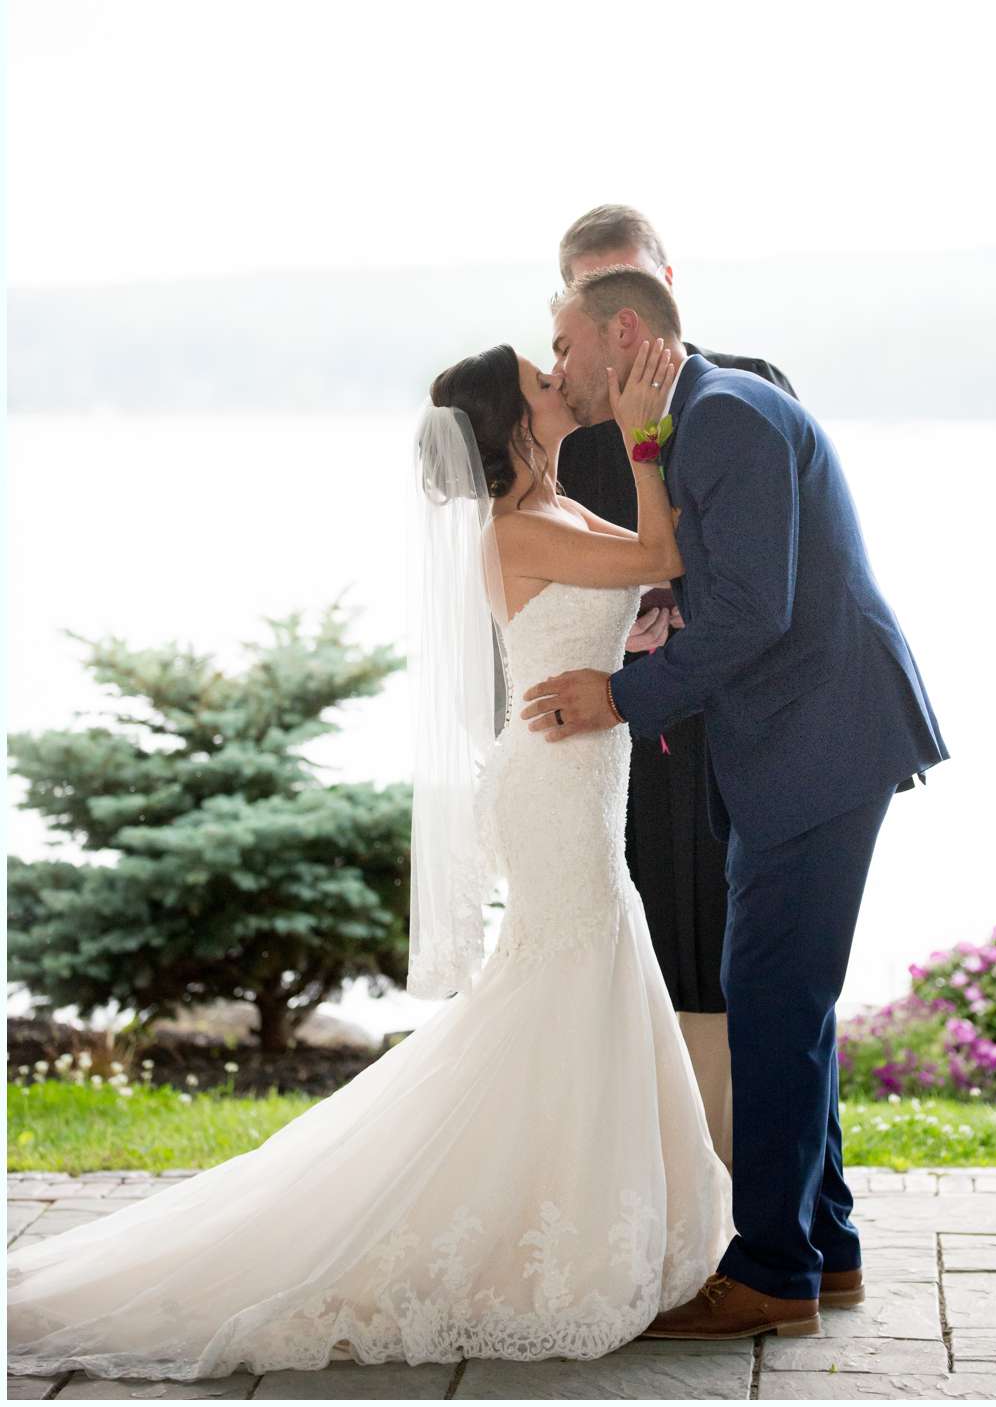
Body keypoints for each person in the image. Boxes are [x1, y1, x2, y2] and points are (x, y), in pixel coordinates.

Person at [7, 336, 769, 1385]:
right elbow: (658, 559)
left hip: (582, 771)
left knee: (578, 968)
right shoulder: (511, 532)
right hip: (552, 782)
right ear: (511, 422)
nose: (559, 385)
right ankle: (528, 1224)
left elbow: (648, 546)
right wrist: (646, 438)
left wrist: (647, 448)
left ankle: (590, 1210)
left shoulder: (547, 507)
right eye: (543, 384)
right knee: (564, 970)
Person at [524, 266, 949, 1341]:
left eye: (566, 342)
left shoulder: (725, 418)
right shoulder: (696, 419)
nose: (559, 364)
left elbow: (754, 612)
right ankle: (823, 1244)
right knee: (786, 998)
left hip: (822, 739)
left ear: (624, 331)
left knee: (769, 996)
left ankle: (772, 1269)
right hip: (808, 739)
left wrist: (618, 695)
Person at [555, 203, 797, 1166]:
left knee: (755, 952)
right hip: (623, 718)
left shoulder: (747, 390)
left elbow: (772, 567)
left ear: (662, 289)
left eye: (633, 286)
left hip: (737, 711)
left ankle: (755, 1172)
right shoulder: (569, 427)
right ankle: (651, 1166)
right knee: (641, 929)